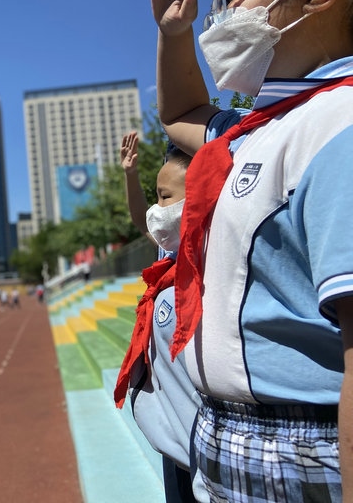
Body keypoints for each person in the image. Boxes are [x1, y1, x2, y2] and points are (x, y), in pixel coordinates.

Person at [153, 0, 353, 499]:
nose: (216, 23)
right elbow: (181, 113)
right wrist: (173, 32)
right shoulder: (263, 127)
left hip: (304, 445)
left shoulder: (339, 123)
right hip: (233, 437)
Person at [115, 133, 205, 503]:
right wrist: (130, 175)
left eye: (165, 197)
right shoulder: (169, 250)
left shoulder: (211, 258)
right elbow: (143, 221)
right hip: (173, 434)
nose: (158, 208)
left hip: (204, 435)